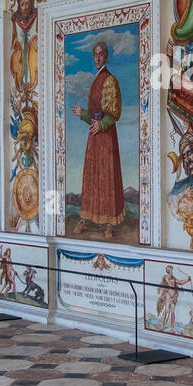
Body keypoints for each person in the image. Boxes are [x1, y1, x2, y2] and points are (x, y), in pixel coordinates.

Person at [70, 40, 123, 239]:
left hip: (106, 137)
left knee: (107, 177)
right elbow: (94, 115)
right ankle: (86, 218)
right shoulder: (96, 79)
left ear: (106, 56)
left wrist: (102, 124)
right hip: (94, 137)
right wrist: (82, 113)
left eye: (101, 54)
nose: (98, 57)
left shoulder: (110, 79)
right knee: (91, 176)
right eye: (95, 54)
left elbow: (114, 112)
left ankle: (109, 223)